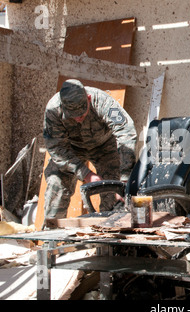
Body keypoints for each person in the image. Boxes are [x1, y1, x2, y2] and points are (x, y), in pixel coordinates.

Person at [42, 79, 137, 222]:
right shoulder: (53, 110)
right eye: (72, 116)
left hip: (104, 147)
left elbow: (126, 133)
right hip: (71, 149)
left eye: (81, 113)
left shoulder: (102, 101)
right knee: (56, 184)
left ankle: (109, 237)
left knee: (113, 189)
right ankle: (50, 234)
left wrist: (124, 179)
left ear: (88, 99)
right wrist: (86, 174)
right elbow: (56, 148)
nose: (78, 119)